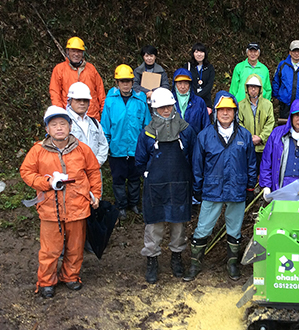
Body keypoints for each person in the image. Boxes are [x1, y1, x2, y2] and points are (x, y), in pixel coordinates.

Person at [20, 106, 101, 298]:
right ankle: (46, 281)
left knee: (76, 246)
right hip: (50, 208)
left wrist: (95, 194)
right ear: (47, 129)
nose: (59, 128)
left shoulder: (82, 149)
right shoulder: (38, 151)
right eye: (54, 124)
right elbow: (26, 172)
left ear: (70, 126)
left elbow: (93, 172)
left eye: (63, 124)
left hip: (78, 206)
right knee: (50, 249)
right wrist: (46, 182)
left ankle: (71, 276)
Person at [185, 91, 257, 282]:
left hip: (237, 188)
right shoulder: (204, 136)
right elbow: (197, 165)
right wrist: (197, 189)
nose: (225, 113)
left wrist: (250, 187)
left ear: (235, 112)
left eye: (229, 110)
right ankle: (194, 263)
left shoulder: (244, 135)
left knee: (234, 229)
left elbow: (251, 163)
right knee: (203, 228)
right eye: (222, 109)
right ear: (215, 112)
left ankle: (232, 264)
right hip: (212, 189)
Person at [135, 88, 197, 284]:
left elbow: (193, 156)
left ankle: (176, 257)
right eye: (162, 107)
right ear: (154, 109)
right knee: (154, 225)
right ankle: (152, 259)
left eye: (169, 106)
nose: (166, 110)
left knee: (178, 225)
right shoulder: (146, 133)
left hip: (180, 183)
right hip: (155, 186)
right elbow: (140, 161)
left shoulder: (186, 130)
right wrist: (149, 175)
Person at [101, 64, 151, 220]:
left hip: (136, 149)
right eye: (122, 81)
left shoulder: (140, 101)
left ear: (132, 82)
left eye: (128, 81)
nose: (125, 84)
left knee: (135, 178)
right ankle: (121, 206)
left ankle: (134, 204)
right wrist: (107, 146)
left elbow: (147, 126)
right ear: (117, 82)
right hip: (117, 149)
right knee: (118, 179)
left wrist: (146, 146)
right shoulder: (110, 102)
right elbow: (105, 127)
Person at [49, 36, 106, 121]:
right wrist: (61, 114)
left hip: (92, 116)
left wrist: (105, 113)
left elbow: (100, 92)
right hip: (70, 117)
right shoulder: (59, 69)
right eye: (73, 51)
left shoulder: (91, 69)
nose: (76, 54)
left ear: (83, 53)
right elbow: (55, 93)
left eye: (79, 51)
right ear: (67, 52)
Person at [66, 82, 109, 168]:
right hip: (72, 172)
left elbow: (103, 144)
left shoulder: (94, 123)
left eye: (85, 100)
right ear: (70, 101)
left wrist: (96, 163)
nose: (82, 103)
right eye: (78, 100)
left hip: (94, 171)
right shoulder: (63, 123)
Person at [238, 74, 275, 170]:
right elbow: (239, 123)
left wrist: (261, 137)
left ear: (260, 89)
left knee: (263, 172)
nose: (253, 89)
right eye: (250, 86)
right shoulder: (241, 105)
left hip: (263, 147)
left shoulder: (268, 105)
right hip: (246, 147)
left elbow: (270, 123)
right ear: (247, 88)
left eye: (255, 87)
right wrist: (249, 138)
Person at [272, 40, 299, 119]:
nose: (296, 53)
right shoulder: (282, 65)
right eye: (294, 51)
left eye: (298, 51)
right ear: (290, 52)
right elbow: (276, 81)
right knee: (284, 127)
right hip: (285, 103)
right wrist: (276, 96)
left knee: (298, 126)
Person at [171, 68, 210, 135]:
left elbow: (206, 126)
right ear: (175, 84)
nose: (183, 87)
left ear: (190, 84)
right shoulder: (169, 102)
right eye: (179, 83)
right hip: (174, 143)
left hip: (195, 142)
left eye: (186, 83)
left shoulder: (199, 102)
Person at [184, 42, 215, 109]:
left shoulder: (209, 67)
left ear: (205, 54)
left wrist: (198, 96)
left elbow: (209, 85)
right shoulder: (187, 66)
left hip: (206, 101)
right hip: (191, 100)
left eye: (201, 52)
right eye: (196, 52)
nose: (199, 54)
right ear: (193, 54)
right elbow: (186, 83)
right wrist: (193, 96)